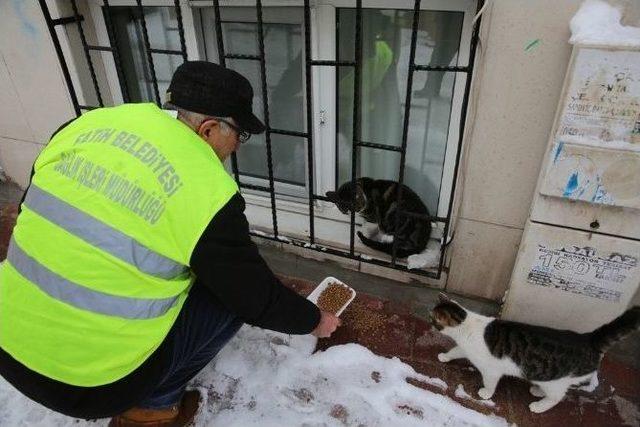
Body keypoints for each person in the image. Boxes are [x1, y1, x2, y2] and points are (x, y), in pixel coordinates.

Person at [0, 61, 341, 426]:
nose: (237, 148)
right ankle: (153, 408)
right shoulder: (205, 189)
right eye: (239, 136)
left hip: (7, 344)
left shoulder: (84, 126)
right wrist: (314, 320)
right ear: (209, 129)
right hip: (91, 386)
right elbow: (252, 296)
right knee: (224, 294)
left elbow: (29, 211)